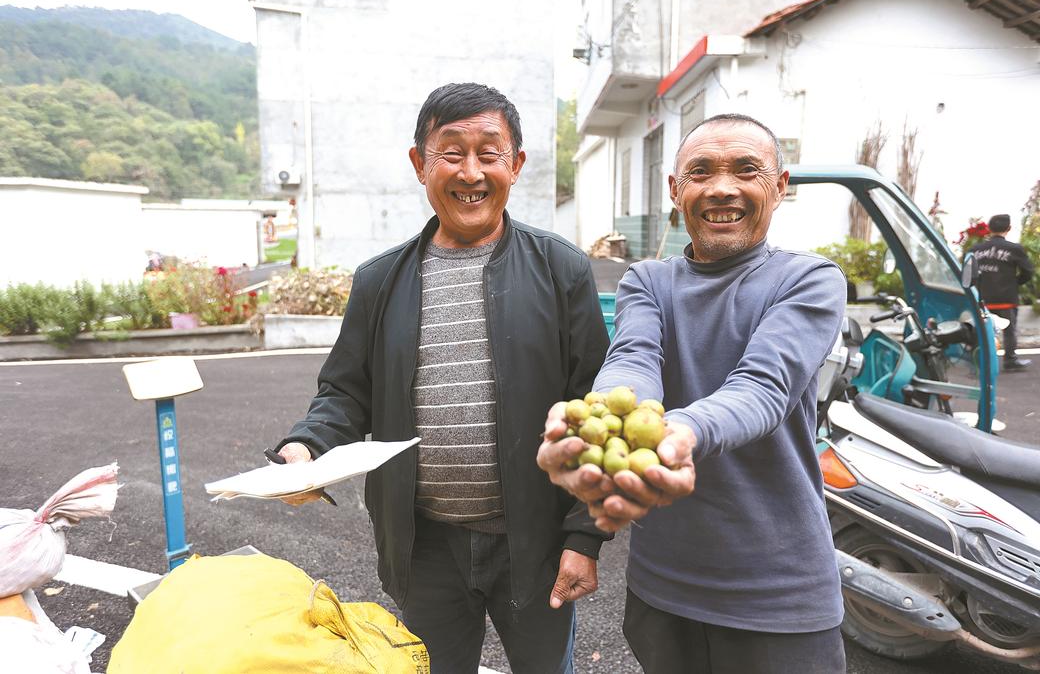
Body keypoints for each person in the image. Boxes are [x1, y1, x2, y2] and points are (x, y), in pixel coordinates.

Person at [273, 83, 610, 674]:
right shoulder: (380, 280)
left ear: (518, 165)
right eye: (451, 152)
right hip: (423, 546)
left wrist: (583, 538)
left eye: (490, 152)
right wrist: (306, 446)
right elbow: (346, 392)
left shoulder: (561, 268)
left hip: (534, 543)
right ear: (419, 165)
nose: (471, 171)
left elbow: (594, 406)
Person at [538, 114, 848, 673]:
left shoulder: (809, 280)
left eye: (746, 170)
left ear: (779, 187)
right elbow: (632, 360)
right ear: (677, 192)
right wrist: (601, 417)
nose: (722, 187)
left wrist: (680, 432)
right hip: (664, 590)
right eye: (701, 172)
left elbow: (763, 386)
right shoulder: (648, 281)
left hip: (779, 595)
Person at [968, 213, 1035, 371]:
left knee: (981, 330)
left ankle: (978, 364)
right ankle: (1010, 361)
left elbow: (967, 272)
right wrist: (1015, 282)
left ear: (989, 229)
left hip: (982, 297)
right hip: (1006, 297)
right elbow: (1028, 271)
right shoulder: (1014, 249)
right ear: (1009, 228)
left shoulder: (975, 250)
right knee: (1009, 330)